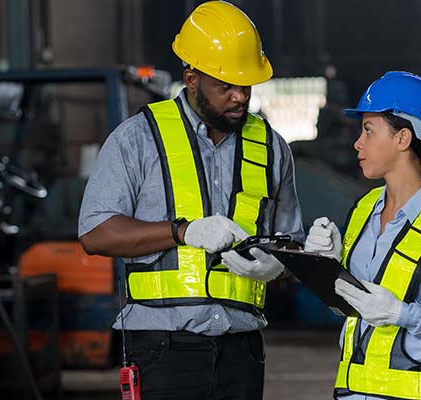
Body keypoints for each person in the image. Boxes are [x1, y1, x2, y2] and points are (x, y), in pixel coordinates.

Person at [78, 2, 303, 399]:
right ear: (192, 78)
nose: (239, 97)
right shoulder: (138, 138)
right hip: (163, 350)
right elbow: (95, 233)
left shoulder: (271, 148)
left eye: (246, 86)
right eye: (225, 87)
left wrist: (278, 263)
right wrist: (183, 232)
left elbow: (289, 241)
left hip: (243, 350)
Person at [304, 71, 421, 400]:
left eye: (368, 131)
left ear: (402, 139)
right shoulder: (364, 209)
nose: (358, 143)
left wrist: (401, 314)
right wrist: (326, 266)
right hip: (353, 392)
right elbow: (352, 308)